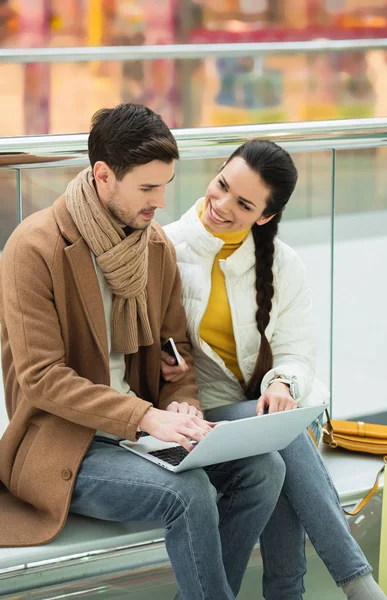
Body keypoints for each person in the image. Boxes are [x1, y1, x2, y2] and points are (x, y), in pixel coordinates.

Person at [0, 104, 286, 600]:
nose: (161, 201)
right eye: (147, 189)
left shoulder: (154, 247)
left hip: (142, 429)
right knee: (189, 493)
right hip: (65, 439)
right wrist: (147, 418)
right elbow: (42, 379)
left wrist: (183, 404)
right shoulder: (35, 247)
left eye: (166, 185)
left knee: (265, 471)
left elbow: (176, 355)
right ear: (104, 176)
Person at [162, 139, 387, 600]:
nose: (221, 205)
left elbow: (297, 353)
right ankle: (353, 582)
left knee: (276, 444)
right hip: (200, 420)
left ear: (264, 216)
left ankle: (298, 591)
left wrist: (283, 382)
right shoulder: (163, 248)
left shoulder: (283, 263)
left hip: (261, 419)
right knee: (281, 441)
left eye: (243, 204)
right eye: (222, 185)